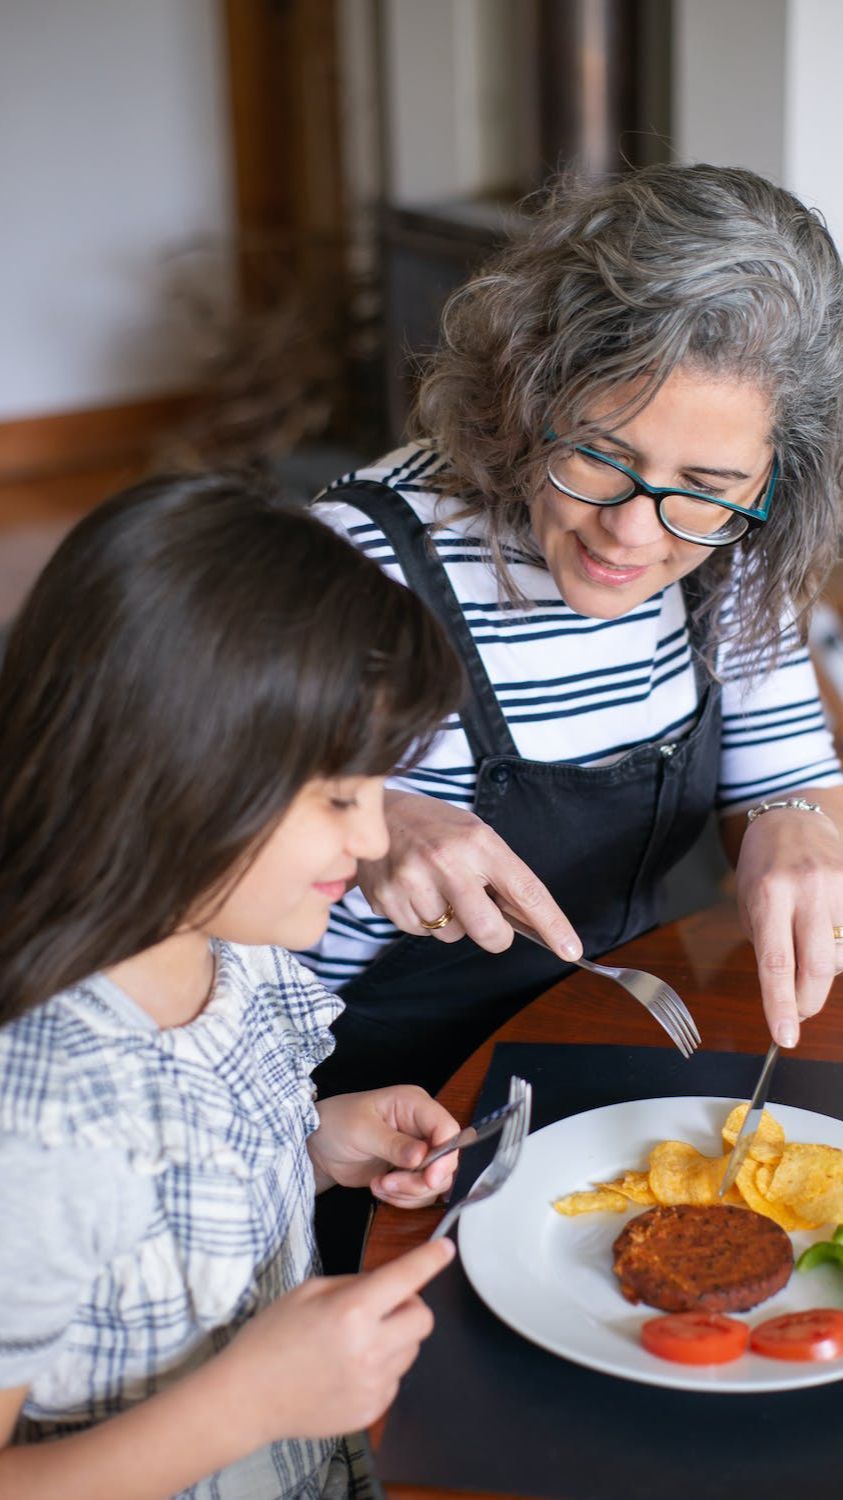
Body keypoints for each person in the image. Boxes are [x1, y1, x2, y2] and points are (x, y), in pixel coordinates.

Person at [304, 162, 843, 1102]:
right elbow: (189, 855)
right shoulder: (364, 557)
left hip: (591, 1031)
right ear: (531, 390)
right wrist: (374, 817)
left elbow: (789, 780)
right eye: (602, 455)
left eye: (707, 489)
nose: (633, 533)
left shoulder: (729, 550)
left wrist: (792, 823)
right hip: (345, 1086)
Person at [0, 473, 465, 1499]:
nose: (377, 837)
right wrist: (251, 1403)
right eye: (342, 796)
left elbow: (160, 1196)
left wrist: (316, 1140)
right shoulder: (37, 1123)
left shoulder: (225, 937)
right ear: (180, 770)